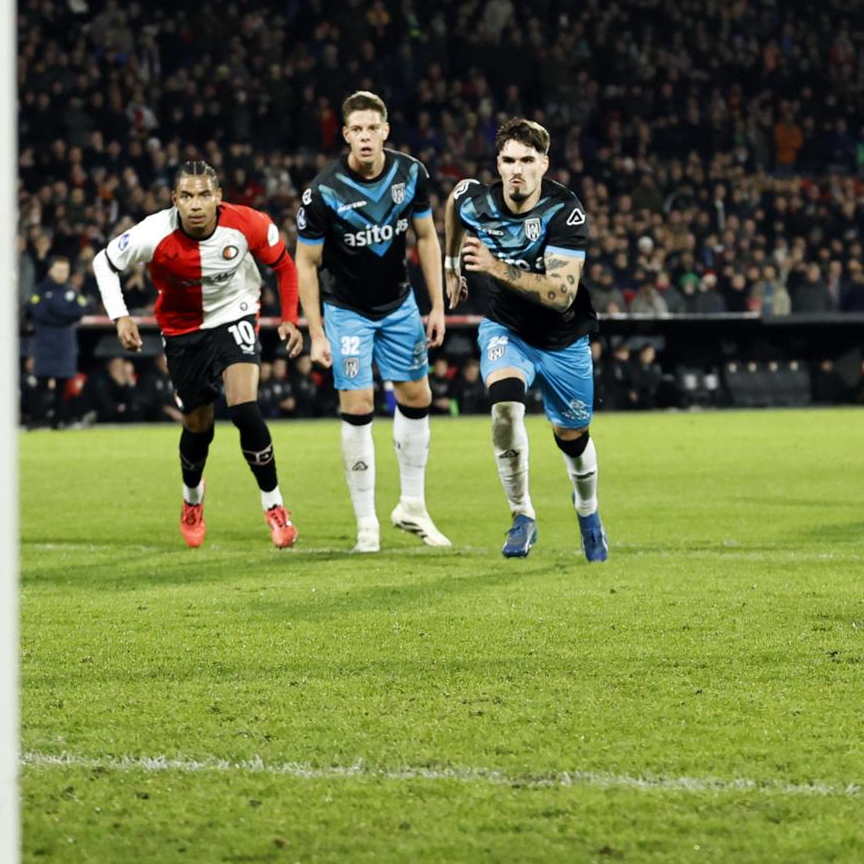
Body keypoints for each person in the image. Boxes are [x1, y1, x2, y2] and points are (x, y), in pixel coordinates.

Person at [92, 160, 304, 551]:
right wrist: (120, 317)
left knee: (244, 410)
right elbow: (103, 262)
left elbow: (285, 266)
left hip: (235, 313)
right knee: (198, 427)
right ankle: (192, 499)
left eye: (204, 195)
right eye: (186, 196)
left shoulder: (248, 223)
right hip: (182, 331)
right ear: (174, 199)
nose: (195, 204)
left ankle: (274, 506)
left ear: (218, 197)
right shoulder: (154, 233)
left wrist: (290, 318)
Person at [294, 91, 450, 553]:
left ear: (385, 131)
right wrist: (316, 330)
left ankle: (412, 506)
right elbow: (305, 263)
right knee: (359, 403)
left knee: (417, 394)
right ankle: (367, 524)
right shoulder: (322, 191)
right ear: (345, 135)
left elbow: (426, 236)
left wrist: (437, 305)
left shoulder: (410, 173)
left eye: (371, 128)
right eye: (355, 129)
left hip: (399, 304)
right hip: (347, 311)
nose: (364, 137)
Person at [444, 118, 607, 562]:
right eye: (509, 160)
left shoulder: (564, 212)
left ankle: (588, 511)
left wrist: (494, 267)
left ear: (544, 164)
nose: (517, 170)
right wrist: (450, 264)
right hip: (507, 329)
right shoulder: (479, 201)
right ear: (498, 163)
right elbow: (455, 201)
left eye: (527, 161)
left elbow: (560, 295)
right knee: (505, 406)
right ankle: (522, 515)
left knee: (572, 436)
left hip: (563, 338)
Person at [29, 254, 90, 428]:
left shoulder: (72, 292)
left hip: (65, 345)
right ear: (51, 270)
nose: (62, 274)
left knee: (62, 386)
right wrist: (64, 317)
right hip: (45, 344)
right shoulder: (39, 291)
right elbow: (39, 313)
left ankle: (58, 421)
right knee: (40, 385)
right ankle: (36, 420)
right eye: (59, 270)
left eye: (65, 270)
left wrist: (55, 313)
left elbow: (78, 312)